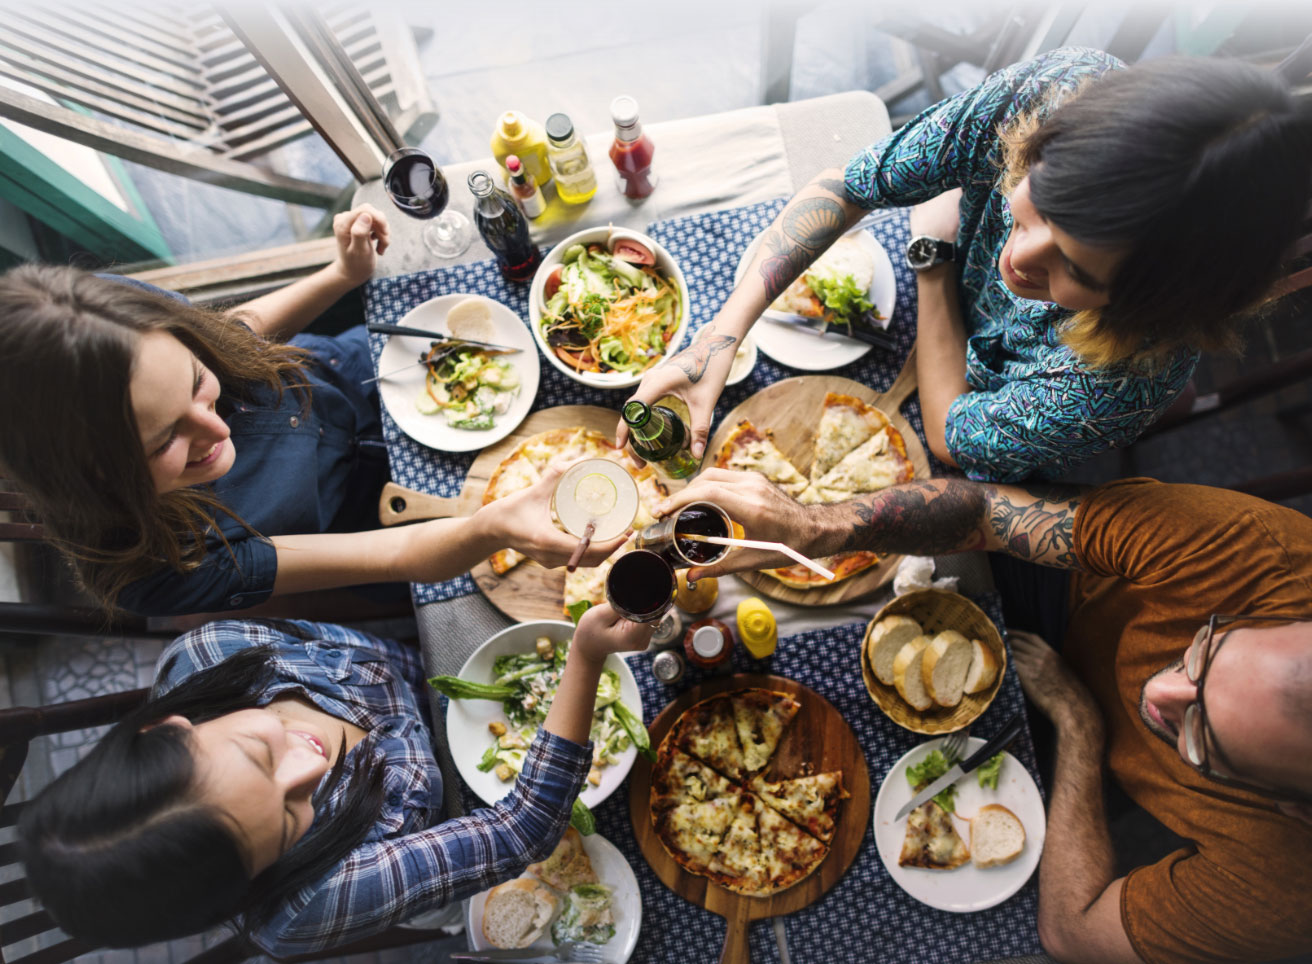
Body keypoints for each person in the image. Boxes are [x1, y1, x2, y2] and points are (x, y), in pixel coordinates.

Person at [659, 469, 1312, 963]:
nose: (1162, 691)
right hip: (1066, 585)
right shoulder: (1265, 558)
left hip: (1085, 744)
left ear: (1297, 809)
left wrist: (1081, 727)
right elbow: (985, 513)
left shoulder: (1284, 891)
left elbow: (1071, 933)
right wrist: (818, 527)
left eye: (1201, 735)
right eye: (1206, 652)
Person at [619, 48, 1312, 482]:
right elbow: (848, 187)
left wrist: (931, 265)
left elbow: (952, 433)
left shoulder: (1122, 382)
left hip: (971, 387)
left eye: (1076, 269)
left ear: (1151, 305)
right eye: (1036, 200)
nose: (1019, 255)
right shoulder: (1057, 89)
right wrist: (722, 334)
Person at [0, 207, 625, 616]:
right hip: (360, 527)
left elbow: (231, 336)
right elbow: (393, 558)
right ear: (95, 478)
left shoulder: (109, 322)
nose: (214, 430)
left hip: (353, 376)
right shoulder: (154, 570)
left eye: (197, 384)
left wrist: (340, 274)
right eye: (166, 439)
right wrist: (494, 528)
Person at [17, 603, 652, 955]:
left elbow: (373, 653)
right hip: (464, 826)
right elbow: (519, 834)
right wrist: (585, 658)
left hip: (441, 686)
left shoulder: (211, 651)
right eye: (294, 816)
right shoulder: (301, 906)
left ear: (170, 731)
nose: (314, 763)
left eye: (259, 756)